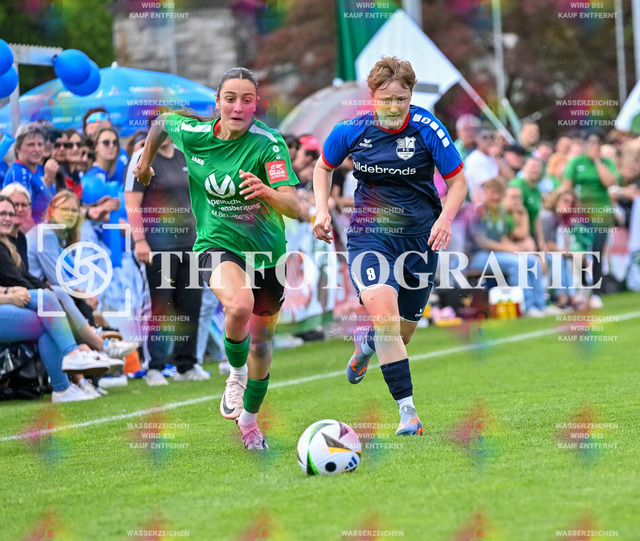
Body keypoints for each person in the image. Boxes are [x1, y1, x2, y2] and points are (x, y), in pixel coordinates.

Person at [134, 67, 300, 450]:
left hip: (266, 255)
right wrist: (144, 162)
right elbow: (160, 122)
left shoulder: (268, 144)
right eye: (230, 98)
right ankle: (235, 375)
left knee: (261, 346)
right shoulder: (195, 134)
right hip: (215, 244)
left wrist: (267, 192)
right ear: (218, 102)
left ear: (256, 104)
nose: (238, 107)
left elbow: (293, 205)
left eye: (247, 100)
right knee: (238, 304)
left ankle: (250, 423)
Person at [313, 57, 468, 436]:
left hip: (420, 240)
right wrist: (321, 209)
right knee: (386, 322)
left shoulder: (428, 129)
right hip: (370, 237)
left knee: (402, 332)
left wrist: (445, 219)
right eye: (386, 99)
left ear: (411, 96)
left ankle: (365, 342)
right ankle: (408, 413)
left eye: (402, 99)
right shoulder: (350, 130)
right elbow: (322, 167)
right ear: (372, 96)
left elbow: (458, 182)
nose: (395, 107)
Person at [124, 114, 206, 385]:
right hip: (158, 246)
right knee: (162, 306)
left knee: (190, 304)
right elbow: (132, 203)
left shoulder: (185, 156)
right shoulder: (142, 158)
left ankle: (186, 364)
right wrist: (140, 241)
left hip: (191, 243)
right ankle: (155, 367)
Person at [562, 132, 621, 308]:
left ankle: (596, 292)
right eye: (591, 142)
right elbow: (567, 187)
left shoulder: (607, 163)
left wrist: (597, 162)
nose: (594, 145)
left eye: (597, 142)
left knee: (597, 251)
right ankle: (583, 288)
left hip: (601, 213)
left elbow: (609, 182)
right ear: (585, 144)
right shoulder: (576, 162)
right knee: (579, 251)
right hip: (580, 214)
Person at [2, 123, 57, 223]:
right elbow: (23, 218)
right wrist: (48, 179)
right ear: (18, 149)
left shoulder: (38, 170)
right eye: (31, 144)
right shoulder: (19, 173)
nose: (37, 149)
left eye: (40, 144)